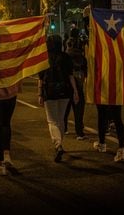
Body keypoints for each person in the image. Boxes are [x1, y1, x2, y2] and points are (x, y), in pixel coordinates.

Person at [38, 34, 79, 163]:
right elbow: (70, 76)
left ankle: (58, 145)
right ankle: (60, 143)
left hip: (49, 92)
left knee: (52, 121)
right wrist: (75, 92)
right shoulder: (65, 57)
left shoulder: (44, 58)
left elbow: (40, 79)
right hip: (65, 91)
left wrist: (39, 94)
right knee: (61, 119)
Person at [64, 36, 88, 139]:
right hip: (79, 85)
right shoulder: (82, 58)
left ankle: (64, 128)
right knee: (79, 111)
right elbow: (86, 72)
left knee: (65, 110)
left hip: (67, 87)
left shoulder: (66, 56)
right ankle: (79, 132)